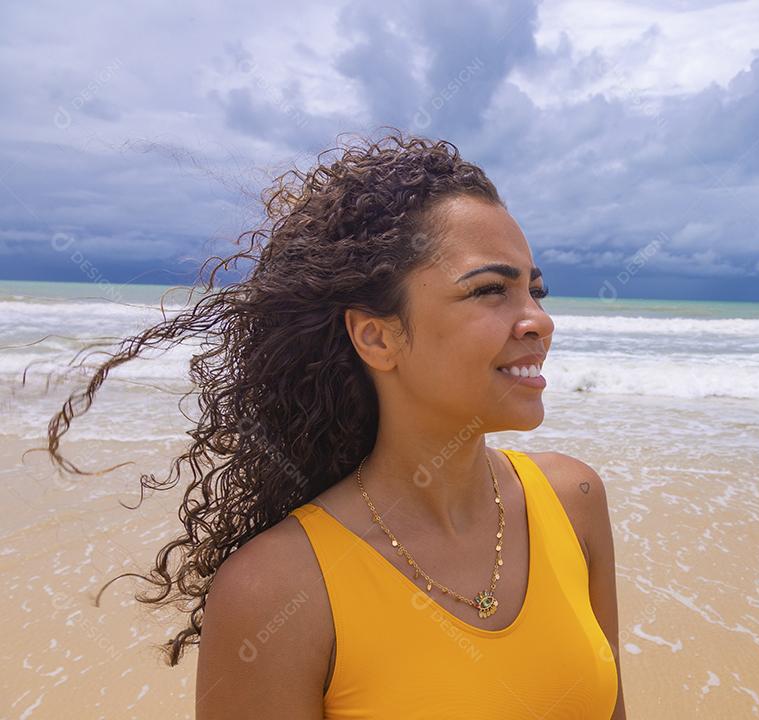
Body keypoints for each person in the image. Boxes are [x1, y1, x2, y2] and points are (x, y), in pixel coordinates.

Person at [48, 129, 625, 718]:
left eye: (536, 289)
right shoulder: (279, 591)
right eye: (490, 290)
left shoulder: (572, 500)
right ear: (376, 336)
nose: (537, 320)